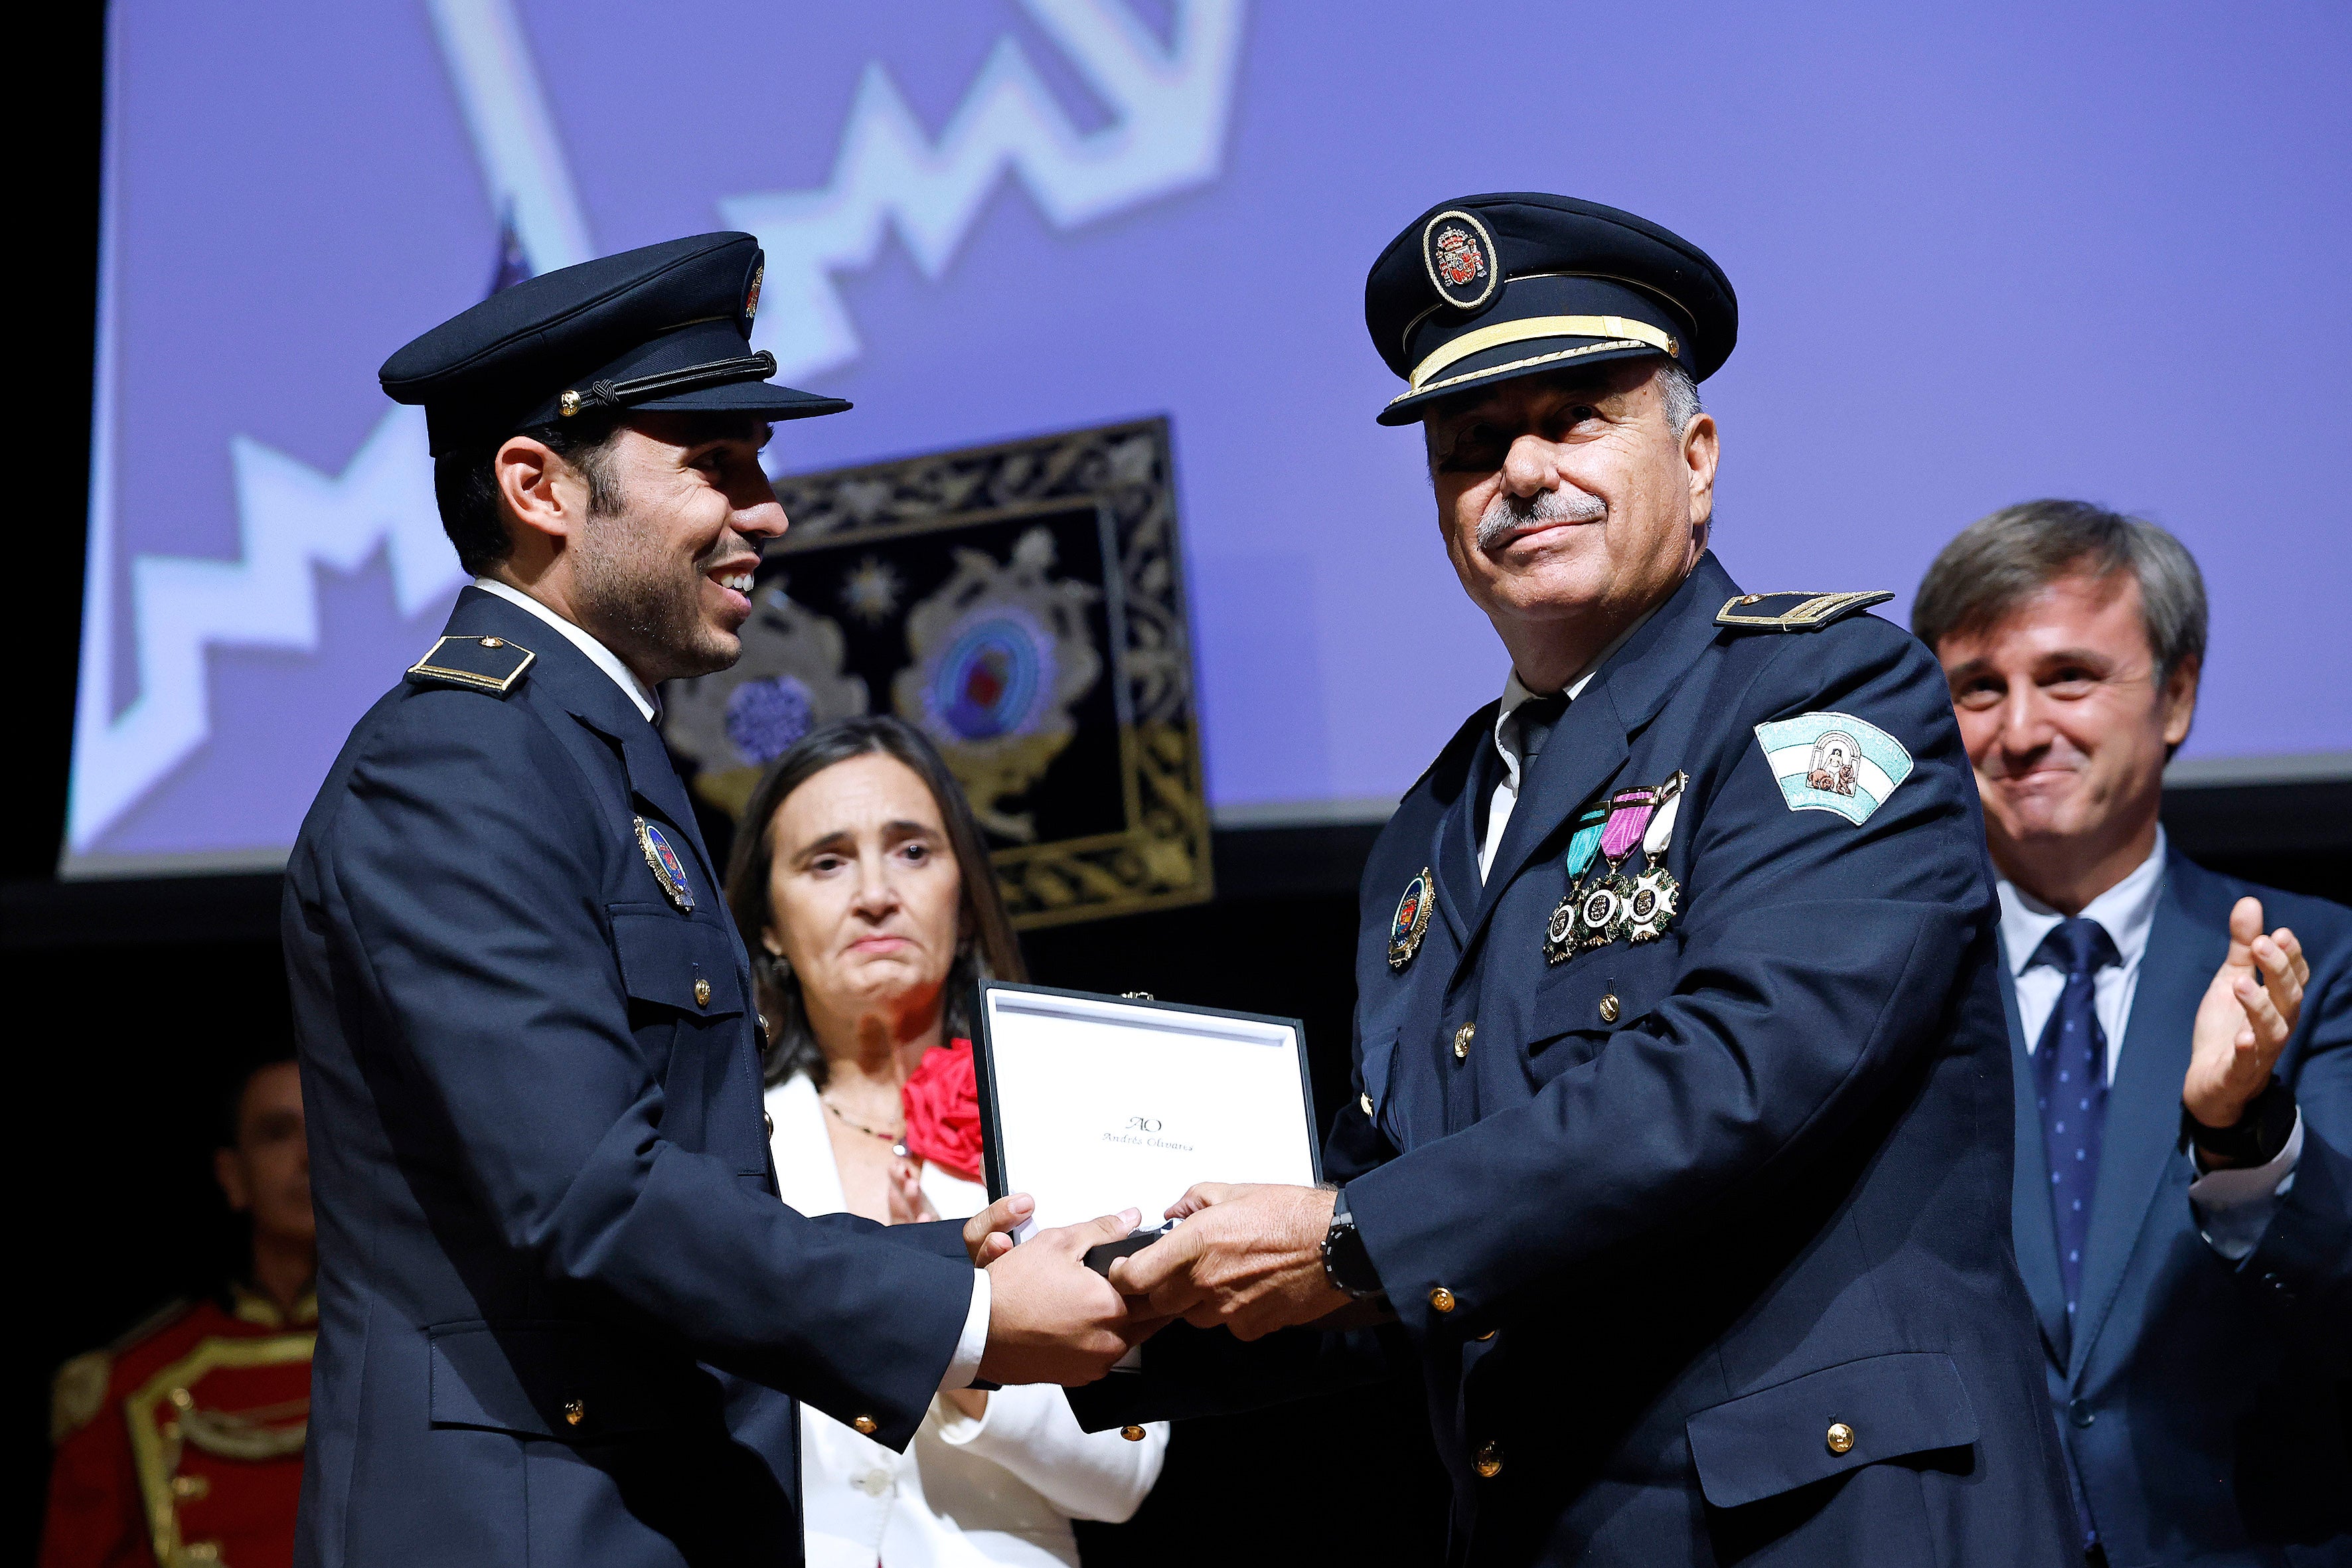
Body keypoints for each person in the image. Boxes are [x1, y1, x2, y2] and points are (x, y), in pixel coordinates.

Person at [1052, 193, 2080, 1565]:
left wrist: (1350, 1233)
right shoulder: (1430, 826)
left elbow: (1746, 1063)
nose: (1521, 470)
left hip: (1828, 1525)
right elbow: (1420, 1209)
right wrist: (1105, 1310)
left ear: (1696, 455)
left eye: (1572, 417)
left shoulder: (1826, 694)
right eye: (1471, 449)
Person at [282, 232, 1148, 1567]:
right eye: (717, 464)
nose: (770, 511)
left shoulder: (584, 746)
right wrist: (960, 1311)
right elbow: (586, 1189)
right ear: (539, 485)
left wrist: (930, 1261)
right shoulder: (463, 759)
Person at [1913, 500, 2351, 1564]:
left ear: (2176, 695)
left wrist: (2239, 1126)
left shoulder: (2311, 964)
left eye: (2066, 677)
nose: (2017, 732)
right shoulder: (1889, 982)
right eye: (1977, 688)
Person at [725, 716, 1166, 1567]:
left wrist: (967, 1352)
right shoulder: (726, 1141)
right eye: (826, 861)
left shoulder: (1069, 1121)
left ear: (964, 896)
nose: (876, 894)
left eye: (913, 851)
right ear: (768, 923)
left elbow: (1125, 1470)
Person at [42, 1057, 318, 1568]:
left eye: (329, 1130)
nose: (309, 1156)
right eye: (278, 1134)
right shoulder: (126, 1386)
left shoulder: (428, 1363)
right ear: (232, 1176)